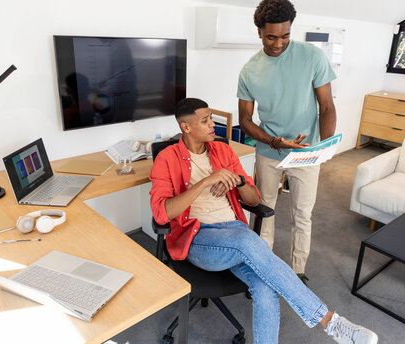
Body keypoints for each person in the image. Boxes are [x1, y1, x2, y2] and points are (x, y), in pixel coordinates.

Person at [149, 98, 377, 344]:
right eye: (205, 121)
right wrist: (206, 181)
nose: (213, 125)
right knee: (248, 241)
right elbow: (163, 213)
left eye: (211, 118)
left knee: (265, 287)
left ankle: (328, 325)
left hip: (235, 232)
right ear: (186, 127)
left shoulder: (223, 151)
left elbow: (253, 197)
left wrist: (240, 180)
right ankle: (330, 322)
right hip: (199, 240)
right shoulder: (167, 158)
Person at [238, 0, 337, 284]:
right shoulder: (249, 70)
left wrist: (324, 147)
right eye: (271, 37)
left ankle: (297, 270)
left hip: (307, 151)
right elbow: (245, 120)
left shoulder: (313, 57)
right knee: (265, 208)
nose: (279, 43)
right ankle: (265, 264)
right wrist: (273, 142)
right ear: (259, 32)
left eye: (285, 36)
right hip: (270, 151)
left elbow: (327, 107)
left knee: (302, 213)